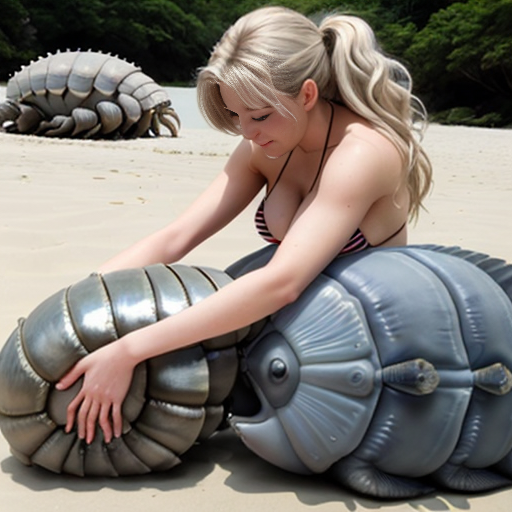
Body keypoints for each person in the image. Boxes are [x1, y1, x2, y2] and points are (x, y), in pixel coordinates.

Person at [57, 6, 432, 444]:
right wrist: (74, 306)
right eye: (236, 116)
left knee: (153, 354)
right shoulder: (268, 142)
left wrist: (129, 350)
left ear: (307, 94)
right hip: (287, 319)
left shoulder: (363, 153)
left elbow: (283, 282)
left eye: (258, 115)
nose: (247, 133)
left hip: (364, 341)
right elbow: (177, 237)